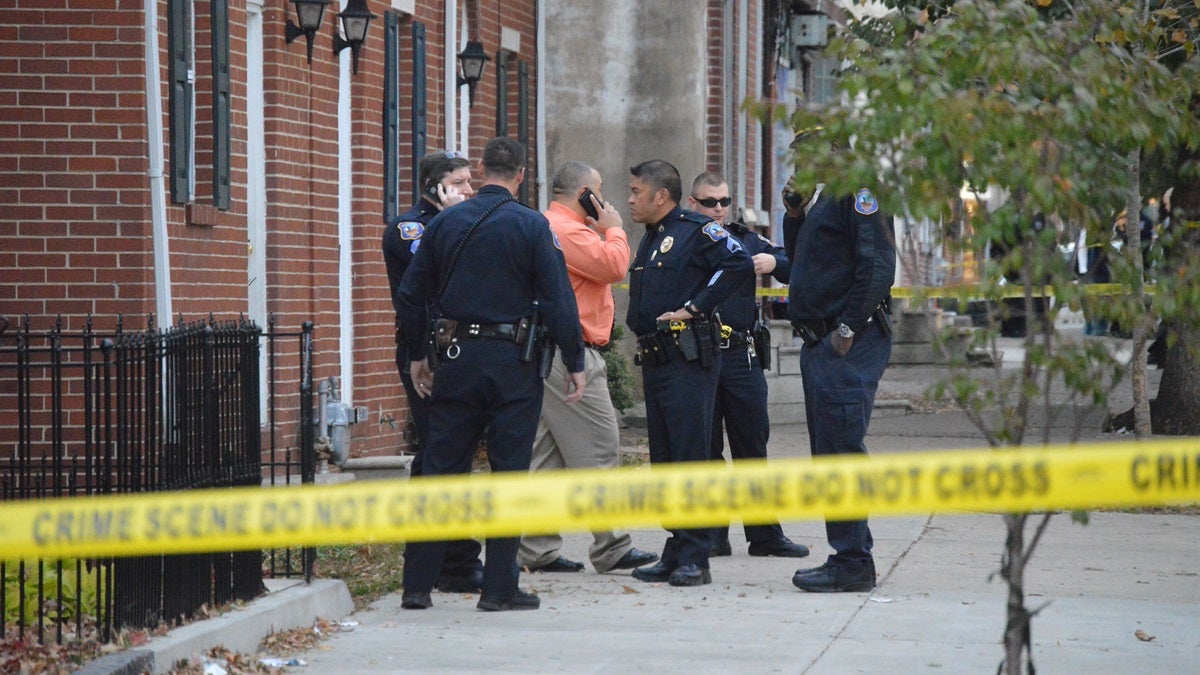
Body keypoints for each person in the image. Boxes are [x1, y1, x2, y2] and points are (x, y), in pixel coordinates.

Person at [396, 137, 587, 612]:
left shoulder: (445, 223)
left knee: (440, 468)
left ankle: (417, 586)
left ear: (480, 170)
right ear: (521, 174)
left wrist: (418, 354)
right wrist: (576, 360)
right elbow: (560, 298)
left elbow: (410, 293)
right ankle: (499, 588)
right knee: (509, 472)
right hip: (513, 363)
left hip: (456, 358)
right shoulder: (531, 226)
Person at [517, 162, 660, 575]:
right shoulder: (566, 230)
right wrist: (614, 226)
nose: (606, 200)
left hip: (555, 353)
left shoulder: (553, 226)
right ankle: (612, 546)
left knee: (547, 455)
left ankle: (535, 549)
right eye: (598, 192)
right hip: (572, 355)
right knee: (600, 445)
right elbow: (614, 266)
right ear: (584, 193)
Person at [624, 160, 754, 587]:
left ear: (661, 196)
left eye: (636, 192)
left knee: (689, 455)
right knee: (665, 460)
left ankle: (696, 556)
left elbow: (736, 263)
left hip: (686, 360)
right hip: (657, 360)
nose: (630, 199)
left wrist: (697, 306)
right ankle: (677, 545)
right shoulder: (654, 237)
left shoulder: (697, 229)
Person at [784, 130, 895, 593]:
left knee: (842, 448)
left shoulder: (860, 191)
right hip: (821, 345)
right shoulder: (826, 200)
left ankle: (852, 561)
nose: (797, 165)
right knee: (829, 450)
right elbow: (800, 263)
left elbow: (877, 267)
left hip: (848, 343)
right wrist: (794, 214)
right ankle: (848, 554)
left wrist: (847, 330)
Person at [687, 172, 809, 560]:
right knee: (706, 451)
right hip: (699, 357)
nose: (719, 209)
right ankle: (711, 534)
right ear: (694, 204)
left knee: (752, 447)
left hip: (742, 355)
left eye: (724, 202)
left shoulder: (744, 239)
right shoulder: (683, 241)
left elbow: (794, 264)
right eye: (710, 203)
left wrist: (773, 260)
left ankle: (765, 535)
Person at [382, 149, 484, 594]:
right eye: (460, 182)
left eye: (470, 182)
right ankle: (449, 561)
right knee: (443, 453)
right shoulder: (410, 229)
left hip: (462, 350)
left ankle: (445, 558)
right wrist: (451, 219)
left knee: (448, 453)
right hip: (426, 352)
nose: (469, 191)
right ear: (435, 188)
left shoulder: (463, 221)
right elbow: (432, 276)